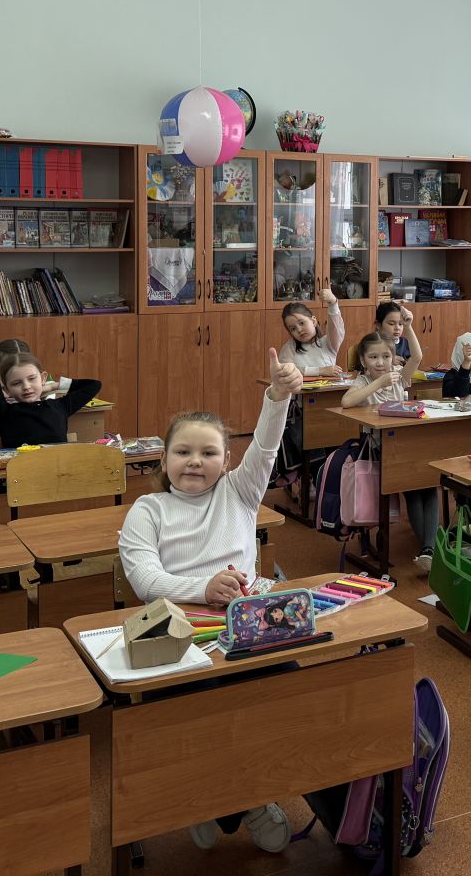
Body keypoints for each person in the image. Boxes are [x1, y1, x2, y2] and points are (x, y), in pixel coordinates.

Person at [117, 349, 300, 856]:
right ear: (163, 460)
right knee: (204, 711)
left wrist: (277, 396)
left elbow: (266, 446)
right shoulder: (148, 509)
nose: (195, 461)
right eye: (183, 452)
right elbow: (144, 580)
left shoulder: (240, 492)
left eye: (208, 452)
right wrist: (203, 589)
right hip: (180, 633)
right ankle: (236, 801)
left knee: (289, 694)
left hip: (247, 624)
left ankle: (222, 800)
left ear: (226, 461)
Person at [342, 317, 439, 573]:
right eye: (373, 357)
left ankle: (429, 549)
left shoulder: (398, 377)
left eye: (385, 357)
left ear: (393, 357)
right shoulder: (363, 381)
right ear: (363, 361)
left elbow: (417, 357)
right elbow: (347, 402)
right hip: (380, 451)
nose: (380, 362)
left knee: (429, 483)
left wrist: (409, 326)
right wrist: (378, 383)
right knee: (413, 488)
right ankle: (429, 549)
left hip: (407, 446)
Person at [0, 333, 102, 447]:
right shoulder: (3, 412)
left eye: (32, 379)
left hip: (58, 470)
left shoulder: (60, 406)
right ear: (7, 389)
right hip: (20, 472)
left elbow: (93, 385)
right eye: (17, 383)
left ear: (43, 378)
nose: (26, 386)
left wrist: (54, 386)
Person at [282, 290, 344, 376]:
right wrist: (320, 371)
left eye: (302, 323)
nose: (299, 330)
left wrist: (333, 303)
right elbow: (287, 371)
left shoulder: (328, 343)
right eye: (293, 329)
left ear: (314, 321)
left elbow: (335, 327)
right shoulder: (289, 347)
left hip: (328, 385)